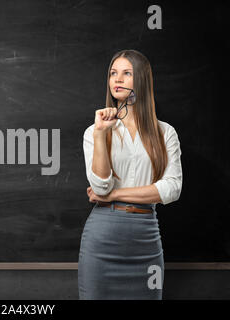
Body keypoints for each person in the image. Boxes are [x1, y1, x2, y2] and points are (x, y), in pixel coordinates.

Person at [78, 49, 183, 300]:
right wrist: (101, 134)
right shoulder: (95, 130)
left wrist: (116, 194)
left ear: (142, 81)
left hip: (146, 238)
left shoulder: (165, 132)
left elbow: (171, 189)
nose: (117, 79)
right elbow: (101, 188)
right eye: (113, 73)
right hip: (102, 239)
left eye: (127, 73)